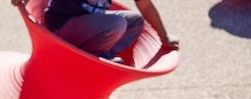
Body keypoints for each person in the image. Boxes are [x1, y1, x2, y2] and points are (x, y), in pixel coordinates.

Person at [11, 0, 179, 63]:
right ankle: (99, 58)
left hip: (91, 28)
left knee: (135, 21)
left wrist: (163, 36)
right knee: (116, 24)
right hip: (63, 28)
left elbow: (146, 5)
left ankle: (93, 56)